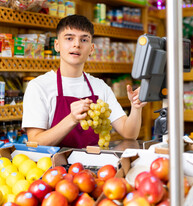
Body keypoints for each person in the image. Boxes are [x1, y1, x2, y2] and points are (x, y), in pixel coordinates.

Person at [22, 14, 146, 148]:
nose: (76, 44)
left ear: (91, 49)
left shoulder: (100, 87)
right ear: (57, 45)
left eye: (84, 40)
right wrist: (72, 119)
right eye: (69, 38)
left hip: (93, 167)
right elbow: (34, 143)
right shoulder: (38, 87)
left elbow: (129, 133)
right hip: (54, 167)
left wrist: (135, 108)